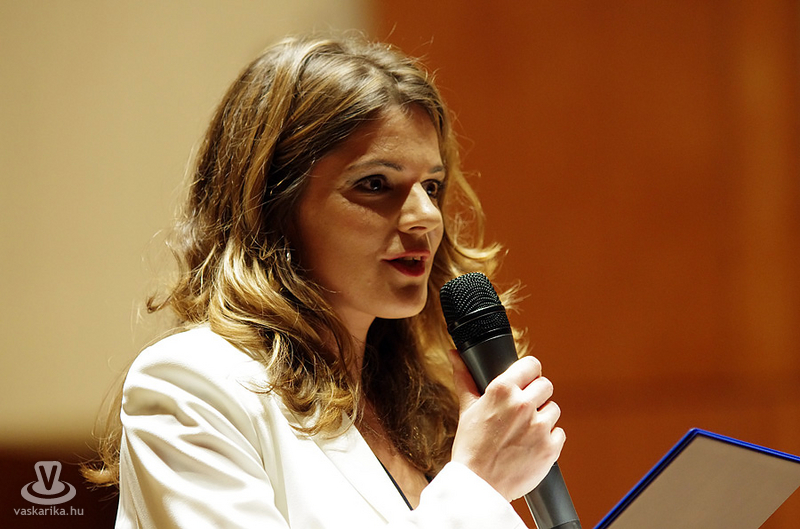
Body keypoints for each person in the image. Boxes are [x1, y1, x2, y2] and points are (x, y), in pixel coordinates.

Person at [86, 33, 566, 528]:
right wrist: (475, 484)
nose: (426, 214)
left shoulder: (428, 409)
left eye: (432, 185)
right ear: (272, 205)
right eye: (375, 184)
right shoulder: (192, 385)